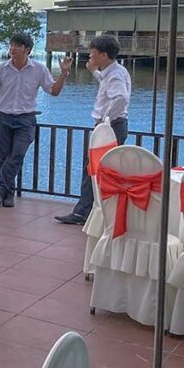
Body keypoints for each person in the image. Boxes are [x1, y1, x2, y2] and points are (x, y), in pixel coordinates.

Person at [0, 32, 72, 208]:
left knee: (17, 154)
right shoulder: (2, 69)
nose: (13, 48)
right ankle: (8, 194)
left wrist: (63, 74)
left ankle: (1, 189)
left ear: (28, 50)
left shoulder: (39, 69)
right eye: (11, 45)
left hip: (26, 119)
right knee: (1, 157)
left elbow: (54, 91)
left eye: (17, 45)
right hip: (4, 117)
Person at [55, 34, 131, 225]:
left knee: (93, 170)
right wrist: (93, 72)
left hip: (110, 127)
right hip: (114, 126)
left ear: (103, 55)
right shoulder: (113, 71)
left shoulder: (115, 74)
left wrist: (105, 121)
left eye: (93, 52)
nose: (89, 55)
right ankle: (92, 211)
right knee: (95, 169)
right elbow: (108, 86)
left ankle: (84, 212)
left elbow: (120, 97)